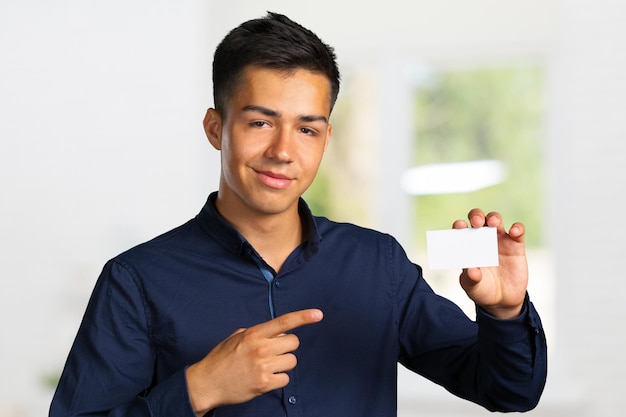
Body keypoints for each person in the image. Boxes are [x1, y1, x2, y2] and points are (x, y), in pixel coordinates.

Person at [50, 11, 547, 417]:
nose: (283, 151)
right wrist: (198, 388)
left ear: (326, 139)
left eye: (307, 129)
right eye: (261, 122)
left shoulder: (378, 264)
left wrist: (504, 313)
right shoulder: (135, 281)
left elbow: (510, 392)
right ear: (214, 127)